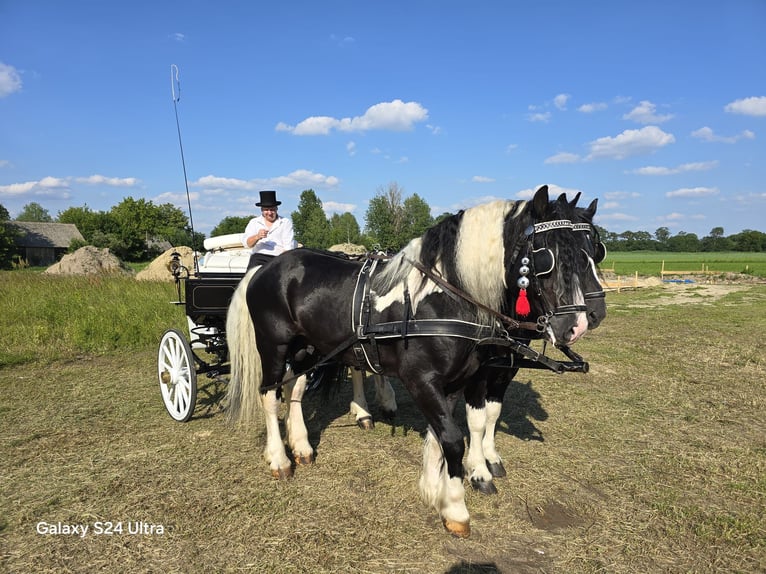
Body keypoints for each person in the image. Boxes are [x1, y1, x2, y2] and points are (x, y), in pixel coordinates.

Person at [243, 190, 296, 269]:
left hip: (279, 258)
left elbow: (288, 248)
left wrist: (278, 262)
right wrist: (257, 237)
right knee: (250, 278)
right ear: (262, 210)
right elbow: (247, 244)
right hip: (258, 258)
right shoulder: (254, 222)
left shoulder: (285, 222)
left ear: (276, 209)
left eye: (272, 209)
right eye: (266, 210)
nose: (270, 212)